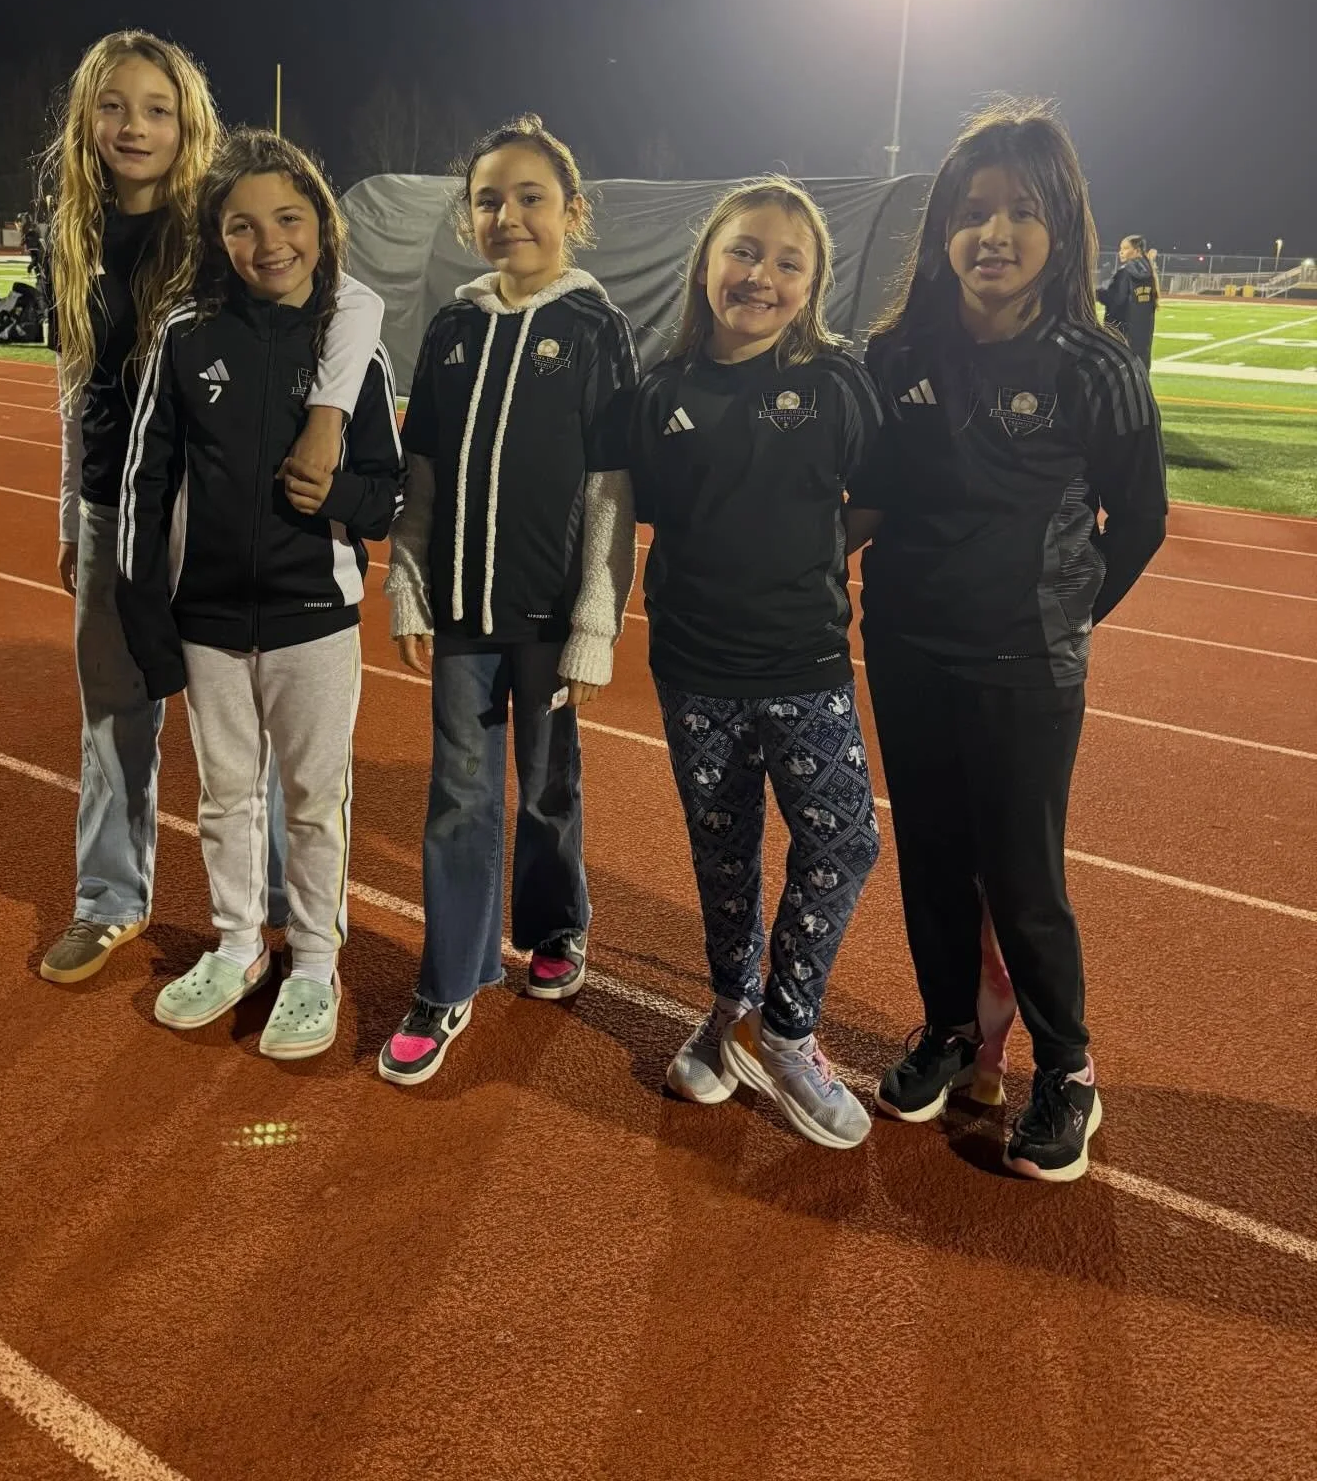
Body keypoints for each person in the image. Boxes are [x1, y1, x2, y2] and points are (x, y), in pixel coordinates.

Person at [847, 101, 1168, 1183]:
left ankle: (1067, 1070)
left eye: (1021, 212)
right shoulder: (899, 356)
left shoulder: (1097, 365)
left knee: (1023, 876)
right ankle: (949, 1029)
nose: (994, 233)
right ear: (942, 228)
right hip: (905, 647)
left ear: (1062, 227)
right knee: (931, 857)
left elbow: (1144, 519)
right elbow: (874, 495)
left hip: (1026, 666)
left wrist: (1071, 614)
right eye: (974, 212)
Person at [38, 30, 384, 986]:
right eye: (114, 106)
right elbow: (76, 386)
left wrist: (323, 421)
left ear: (188, 121)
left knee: (253, 719)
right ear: (87, 121)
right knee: (115, 711)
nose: (133, 126)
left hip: (211, 513)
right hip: (117, 509)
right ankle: (109, 900)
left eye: (156, 108)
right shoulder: (66, 232)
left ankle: (276, 906)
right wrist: (73, 512)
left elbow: (348, 302)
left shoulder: (211, 227)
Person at [116, 130, 403, 1057]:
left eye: (289, 217)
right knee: (225, 795)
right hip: (206, 620)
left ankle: (314, 960)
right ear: (215, 237)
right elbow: (142, 482)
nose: (268, 242)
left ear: (322, 222)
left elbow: (389, 492)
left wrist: (344, 497)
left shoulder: (352, 346)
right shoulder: (186, 335)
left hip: (313, 615)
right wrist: (146, 618)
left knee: (316, 797)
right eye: (241, 226)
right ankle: (238, 945)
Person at [378, 113, 638, 1085]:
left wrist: (595, 623)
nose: (508, 214)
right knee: (459, 797)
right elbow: (424, 473)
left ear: (572, 211)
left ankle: (557, 924)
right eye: (488, 198)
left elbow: (611, 489)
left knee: (550, 787)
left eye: (530, 196)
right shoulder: (451, 328)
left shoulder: (594, 327)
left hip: (550, 616)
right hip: (462, 620)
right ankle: (449, 981)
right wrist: (407, 584)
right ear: (466, 217)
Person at [630, 178, 884, 1149]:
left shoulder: (838, 384)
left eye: (788, 261)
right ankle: (730, 1009)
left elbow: (876, 499)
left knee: (844, 844)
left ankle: (785, 1028)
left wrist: (803, 561)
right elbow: (646, 510)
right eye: (744, 252)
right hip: (695, 667)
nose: (761, 275)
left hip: (806, 662)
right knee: (723, 854)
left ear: (814, 282)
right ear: (706, 264)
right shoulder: (663, 390)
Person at [1097, 234, 1160, 369]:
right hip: (1142, 338)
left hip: (1121, 336)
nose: (1121, 252)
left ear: (1137, 251)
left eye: (1125, 248)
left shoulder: (1125, 273)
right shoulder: (1150, 275)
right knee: (1140, 373)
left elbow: (1116, 301)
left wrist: (1100, 290)